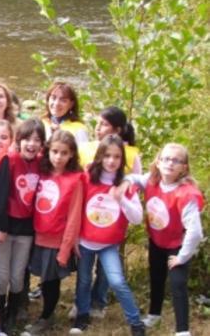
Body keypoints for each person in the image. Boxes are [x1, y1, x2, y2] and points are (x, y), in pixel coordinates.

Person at [70, 135, 146, 336]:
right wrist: (74, 238)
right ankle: (82, 315)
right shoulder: (87, 178)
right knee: (84, 280)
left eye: (117, 157)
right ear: (99, 156)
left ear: (122, 160)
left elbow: (138, 217)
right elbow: (76, 209)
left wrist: (122, 199)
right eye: (107, 156)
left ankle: (135, 322)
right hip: (86, 241)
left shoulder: (125, 184)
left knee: (117, 281)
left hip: (109, 243)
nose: (111, 161)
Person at [125, 143, 204, 336]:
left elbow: (195, 232)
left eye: (176, 160)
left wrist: (182, 257)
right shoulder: (152, 180)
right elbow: (135, 178)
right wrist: (126, 181)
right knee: (156, 277)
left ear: (184, 167)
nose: (170, 163)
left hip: (178, 244)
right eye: (166, 159)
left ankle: (183, 330)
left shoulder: (186, 194)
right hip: (157, 240)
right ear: (158, 162)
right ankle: (154, 314)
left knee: (177, 284)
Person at [0, 119, 45, 333]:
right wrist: (1, 227)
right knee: (1, 276)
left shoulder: (42, 162)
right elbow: (1, 195)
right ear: (18, 141)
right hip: (5, 226)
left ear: (42, 144)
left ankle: (13, 312)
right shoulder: (8, 161)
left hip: (27, 229)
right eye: (27, 139)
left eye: (37, 140)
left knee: (18, 275)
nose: (31, 144)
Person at [24, 130, 83, 335]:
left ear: (72, 155)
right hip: (35, 235)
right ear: (48, 151)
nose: (58, 157)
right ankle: (23, 309)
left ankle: (46, 316)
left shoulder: (75, 179)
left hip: (56, 239)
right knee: (36, 278)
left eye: (64, 153)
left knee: (50, 281)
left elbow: (74, 216)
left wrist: (65, 248)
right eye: (55, 151)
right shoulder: (42, 172)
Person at [42, 81, 89, 146]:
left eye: (63, 100)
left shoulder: (78, 129)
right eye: (53, 98)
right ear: (48, 99)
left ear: (71, 104)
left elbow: (83, 154)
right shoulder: (41, 123)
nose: (56, 103)